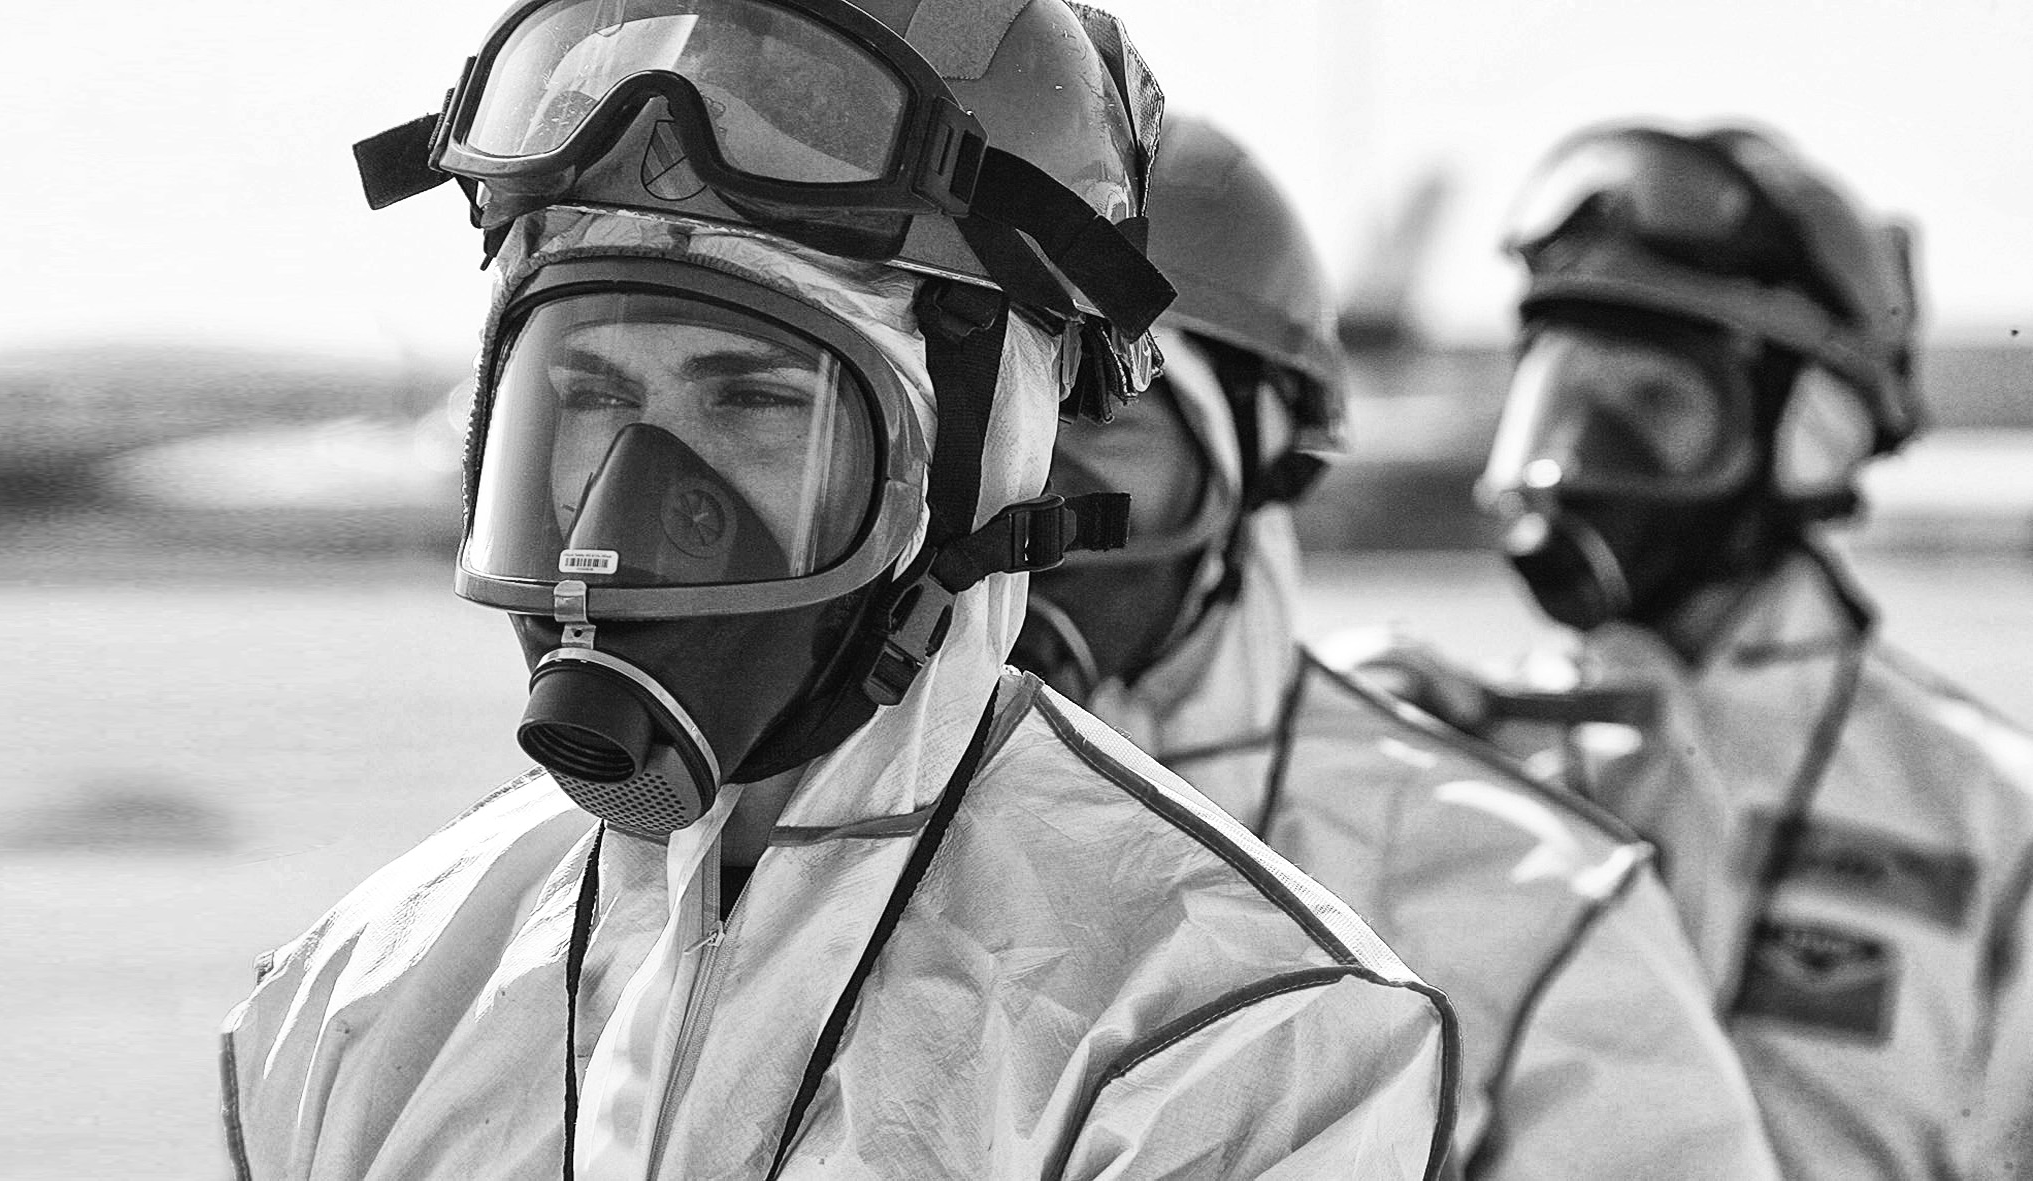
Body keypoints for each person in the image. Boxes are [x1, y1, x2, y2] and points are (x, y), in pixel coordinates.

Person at [221, 3, 1457, 1177]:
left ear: (974, 466)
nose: (633, 496)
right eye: (592, 394)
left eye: (756, 400)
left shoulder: (1229, 1035)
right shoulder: (362, 998)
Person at [1010, 114, 1783, 1179]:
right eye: (988, 414)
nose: (1029, 492)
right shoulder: (801, 811)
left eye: (1102, 419)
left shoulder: (1523, 902)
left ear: (1258, 460)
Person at [1375, 121, 2033, 1179]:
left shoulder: (1988, 812)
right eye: (1565, 396)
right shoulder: (1447, 757)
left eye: (1653, 403)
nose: (1583, 452)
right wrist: (1333, 762)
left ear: (1806, 433)